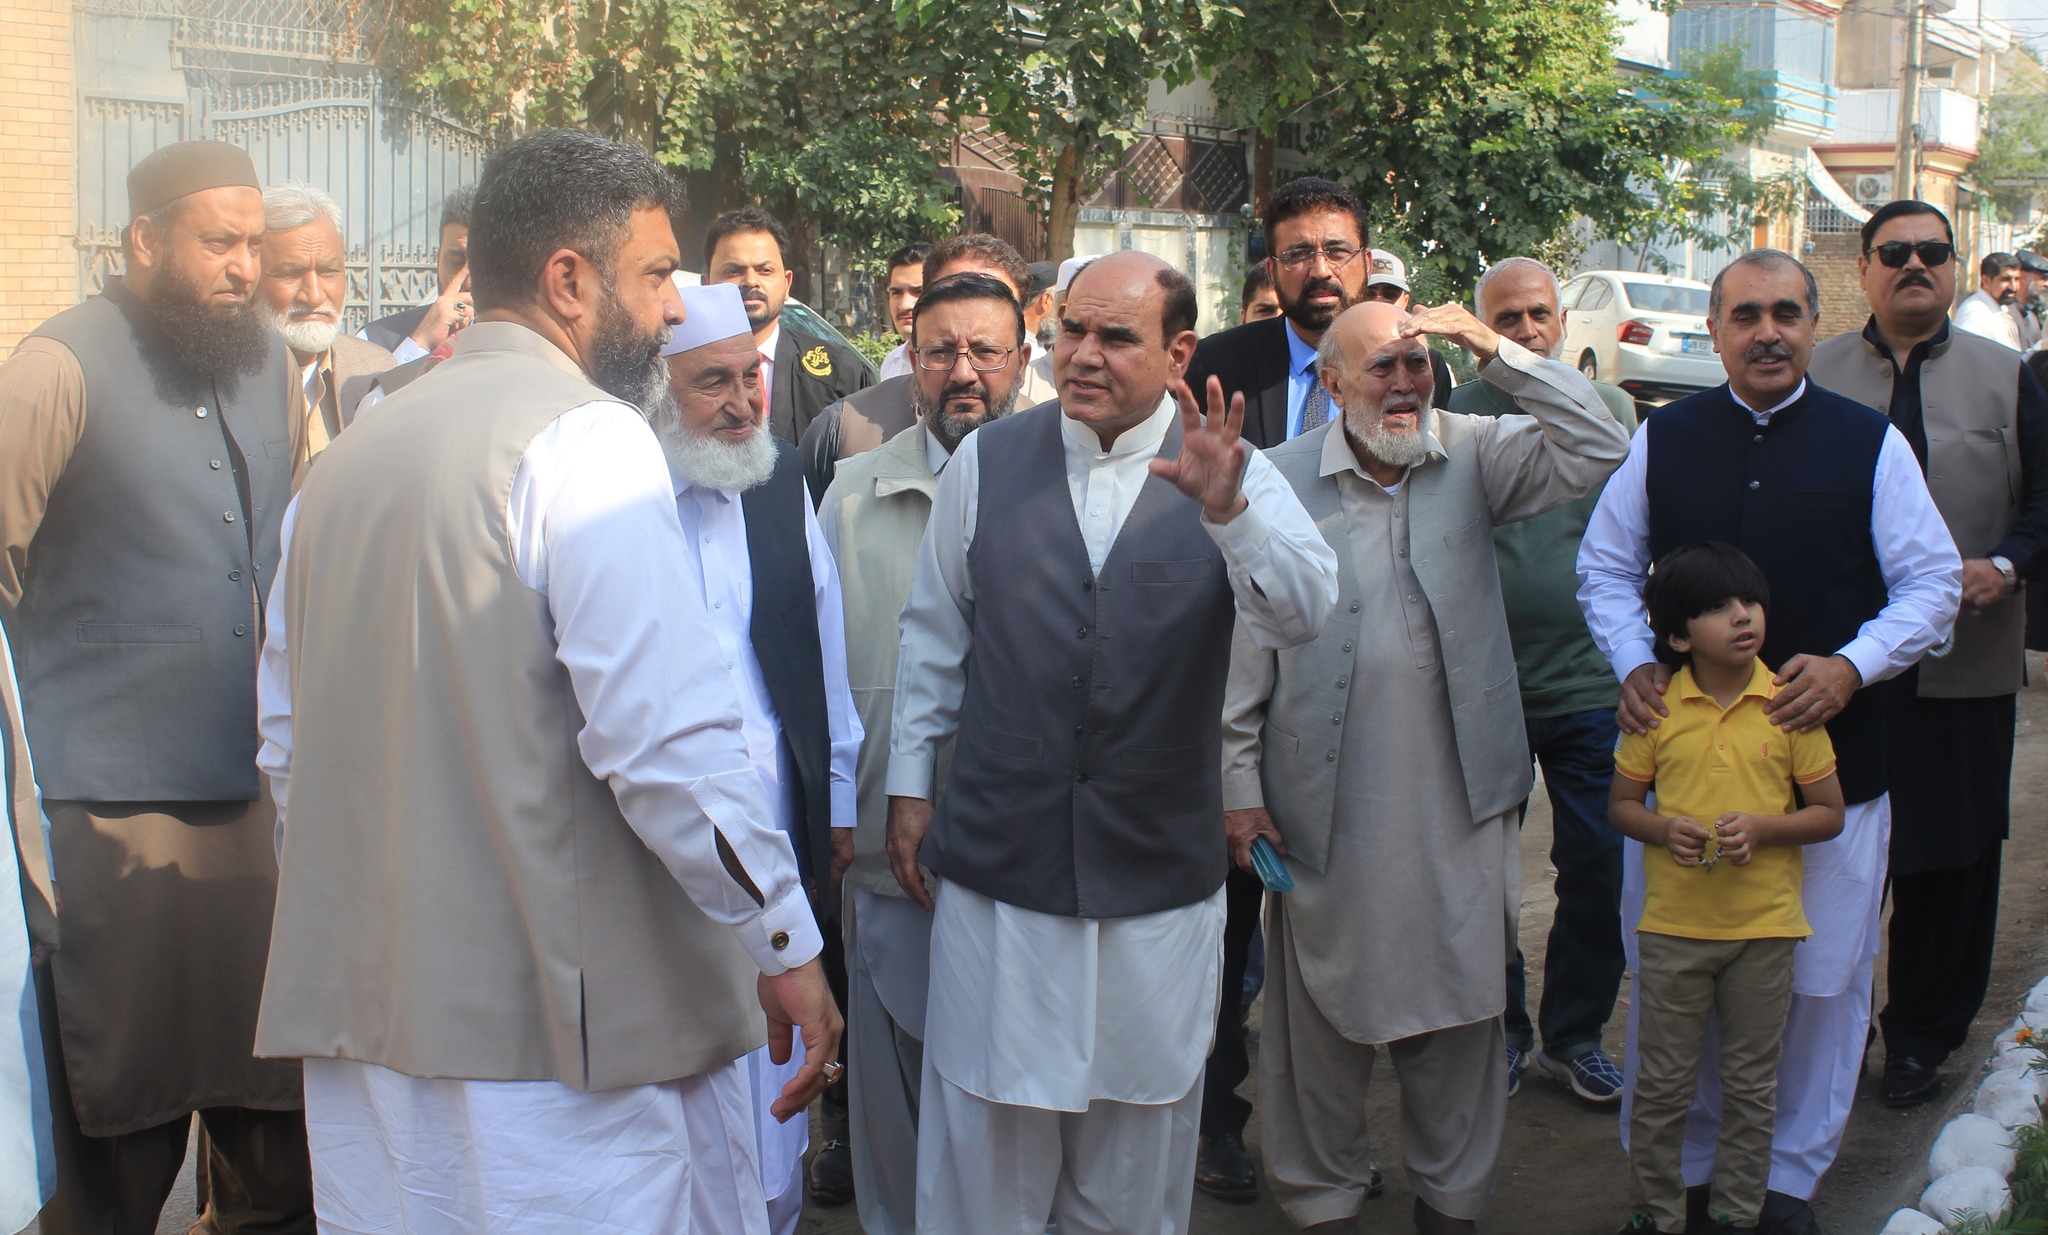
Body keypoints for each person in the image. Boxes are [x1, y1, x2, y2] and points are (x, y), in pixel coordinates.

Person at [252, 128, 842, 1231]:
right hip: (556, 1065)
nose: (677, 307)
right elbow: (665, 743)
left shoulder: (345, 459)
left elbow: (288, 749)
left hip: (369, 1046)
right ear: (569, 278)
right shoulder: (588, 444)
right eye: (659, 274)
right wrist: (785, 938)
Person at [887, 250, 1337, 1234]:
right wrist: (910, 789)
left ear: (1176, 350)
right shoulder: (985, 463)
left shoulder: (1229, 467)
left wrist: (1229, 514)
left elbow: (1304, 609)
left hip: (1152, 888)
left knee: (1130, 1164)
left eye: (1114, 336)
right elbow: (932, 639)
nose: (1081, 355)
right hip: (1004, 882)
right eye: (1070, 333)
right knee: (983, 1165)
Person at [1578, 249, 1961, 1235]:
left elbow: (1928, 582)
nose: (1766, 331)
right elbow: (1605, 566)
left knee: (1821, 982)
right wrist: (1634, 661)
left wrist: (1850, 663)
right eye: (1744, 314)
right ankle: (1684, 1177)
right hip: (1684, 782)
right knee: (1675, 981)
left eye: (1785, 312)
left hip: (1831, 772)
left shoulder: (1867, 442)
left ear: (1812, 321)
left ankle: (1784, 1181)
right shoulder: (1663, 438)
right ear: (1713, 331)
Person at [1225, 298, 1628, 1235]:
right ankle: (1323, 1195)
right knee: (1315, 1026)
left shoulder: (1475, 451)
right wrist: (1238, 789)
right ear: (1330, 383)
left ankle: (1452, 1200)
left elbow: (1598, 442)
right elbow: (1245, 652)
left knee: (1460, 1010)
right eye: (1383, 368)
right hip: (1323, 811)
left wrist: (1495, 348)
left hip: (1458, 804)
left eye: (1419, 366)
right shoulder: (1275, 478)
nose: (1407, 385)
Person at [0, 138, 312, 1233]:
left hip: (262, 808)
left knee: (278, 1111)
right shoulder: (56, 367)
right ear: (143, 241)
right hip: (104, 817)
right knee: (120, 1124)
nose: (244, 267)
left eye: (253, 245)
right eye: (218, 243)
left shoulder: (270, 360)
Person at [1808, 199, 2048, 1108]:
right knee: (1832, 849)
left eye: (1933, 253)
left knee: (1951, 858)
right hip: (1838, 670)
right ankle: (1825, 1032)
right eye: (1895, 252)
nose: (1915, 265)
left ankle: (1919, 1039)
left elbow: (2047, 504)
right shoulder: (1817, 369)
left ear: (1955, 269)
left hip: (1964, 666)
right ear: (1864, 268)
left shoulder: (2009, 377)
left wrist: (2008, 563)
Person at [816, 271, 1031, 1235]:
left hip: (1024, 859)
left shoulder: (1067, 485)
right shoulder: (853, 495)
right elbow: (819, 677)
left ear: (1023, 361)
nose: (964, 373)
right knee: (894, 1085)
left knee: (1009, 1088)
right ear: (910, 359)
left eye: (986, 351)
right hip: (882, 848)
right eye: (942, 351)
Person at [656, 281, 863, 1234]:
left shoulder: (777, 477)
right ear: (655, 390)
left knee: (774, 1094)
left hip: (774, 824)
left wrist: (842, 801)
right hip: (659, 852)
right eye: (712, 383)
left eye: (752, 377)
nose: (743, 403)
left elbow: (823, 646)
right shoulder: (621, 498)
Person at [1609, 542, 1846, 1235]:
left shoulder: (1788, 707)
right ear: (1679, 635)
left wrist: (1766, 830)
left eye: (1749, 602)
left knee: (1751, 1085)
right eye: (1718, 608)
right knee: (1661, 1087)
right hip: (1674, 930)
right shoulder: (1655, 710)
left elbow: (1829, 812)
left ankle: (1738, 1216)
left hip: (1765, 931)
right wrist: (1662, 829)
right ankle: (1654, 1214)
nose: (1743, 617)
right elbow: (1621, 804)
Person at [1453, 256, 1637, 1104]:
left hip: (1592, 684)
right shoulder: (1454, 418)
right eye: (1507, 318)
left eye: (1538, 315)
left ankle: (1573, 1031)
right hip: (1487, 687)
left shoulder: (1610, 410)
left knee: (1599, 863)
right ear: (1481, 329)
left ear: (1562, 320)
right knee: (1485, 879)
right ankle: (1501, 1031)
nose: (1526, 331)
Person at [800, 234, 1056, 500]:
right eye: (951, 295)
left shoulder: (1054, 454)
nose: (963, 373)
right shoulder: (844, 433)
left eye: (991, 298)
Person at [703, 206, 870, 444]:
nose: (751, 281)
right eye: (733, 271)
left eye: (765, 270)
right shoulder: (678, 374)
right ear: (706, 284)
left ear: (787, 283)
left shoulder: (840, 372)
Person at [257, 182, 395, 461]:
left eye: (329, 272)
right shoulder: (225, 382)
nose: (315, 295)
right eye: (290, 273)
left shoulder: (377, 371)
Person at [358, 183, 475, 359]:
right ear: (438, 261)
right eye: (456, 262)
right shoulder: (373, 341)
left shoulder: (527, 343)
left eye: (481, 265)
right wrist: (419, 345)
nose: (468, 281)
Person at [875, 242, 933, 380]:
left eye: (918, 291)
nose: (904, 304)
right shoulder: (892, 364)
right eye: (896, 293)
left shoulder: (965, 366)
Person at [1954, 251, 2024, 350]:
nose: (2013, 287)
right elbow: (1964, 356)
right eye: (2005, 280)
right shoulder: (1976, 314)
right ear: (1986, 281)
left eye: (2017, 279)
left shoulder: (2000, 310)